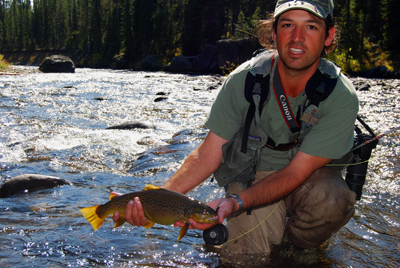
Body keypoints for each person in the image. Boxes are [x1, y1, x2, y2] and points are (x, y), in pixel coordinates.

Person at [113, 0, 358, 255]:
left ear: (329, 36)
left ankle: (297, 250)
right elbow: (208, 154)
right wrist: (156, 202)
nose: (297, 38)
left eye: (311, 27)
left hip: (308, 176)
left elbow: (296, 173)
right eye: (287, 25)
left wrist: (236, 202)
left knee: (333, 199)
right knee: (246, 257)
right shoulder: (246, 80)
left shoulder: (340, 96)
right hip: (253, 175)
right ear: (274, 33)